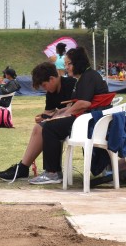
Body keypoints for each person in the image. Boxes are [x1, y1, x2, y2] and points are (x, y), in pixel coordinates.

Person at [29, 46, 110, 185]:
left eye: (68, 64)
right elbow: (74, 105)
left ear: (77, 63)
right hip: (90, 119)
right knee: (50, 124)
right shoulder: (85, 77)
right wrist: (57, 114)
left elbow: (84, 103)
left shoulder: (88, 76)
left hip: (92, 121)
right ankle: (53, 172)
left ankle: (53, 173)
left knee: (50, 128)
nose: (66, 67)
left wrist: (63, 114)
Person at [0, 62, 76, 182]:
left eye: (44, 85)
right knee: (38, 127)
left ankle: (51, 171)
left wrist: (53, 115)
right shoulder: (51, 92)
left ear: (52, 79)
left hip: (77, 122)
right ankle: (23, 167)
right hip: (62, 123)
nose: (44, 89)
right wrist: (43, 117)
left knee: (47, 128)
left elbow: (74, 108)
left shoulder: (71, 84)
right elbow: (48, 113)